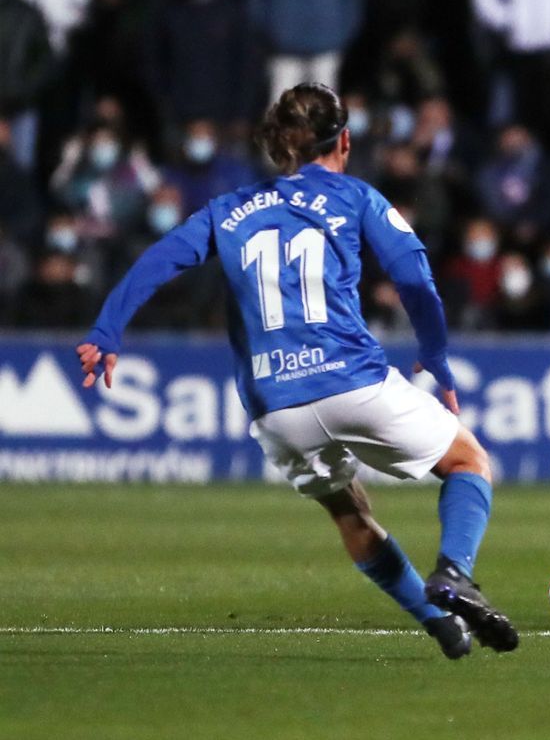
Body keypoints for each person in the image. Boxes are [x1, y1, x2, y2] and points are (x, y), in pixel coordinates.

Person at [76, 83, 519, 659]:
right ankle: (454, 572)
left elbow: (160, 259)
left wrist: (107, 329)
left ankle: (439, 624)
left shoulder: (227, 209)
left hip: (275, 406)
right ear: (345, 140)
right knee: (467, 461)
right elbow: (413, 275)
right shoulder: (355, 196)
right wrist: (434, 353)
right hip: (351, 379)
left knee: (349, 510)